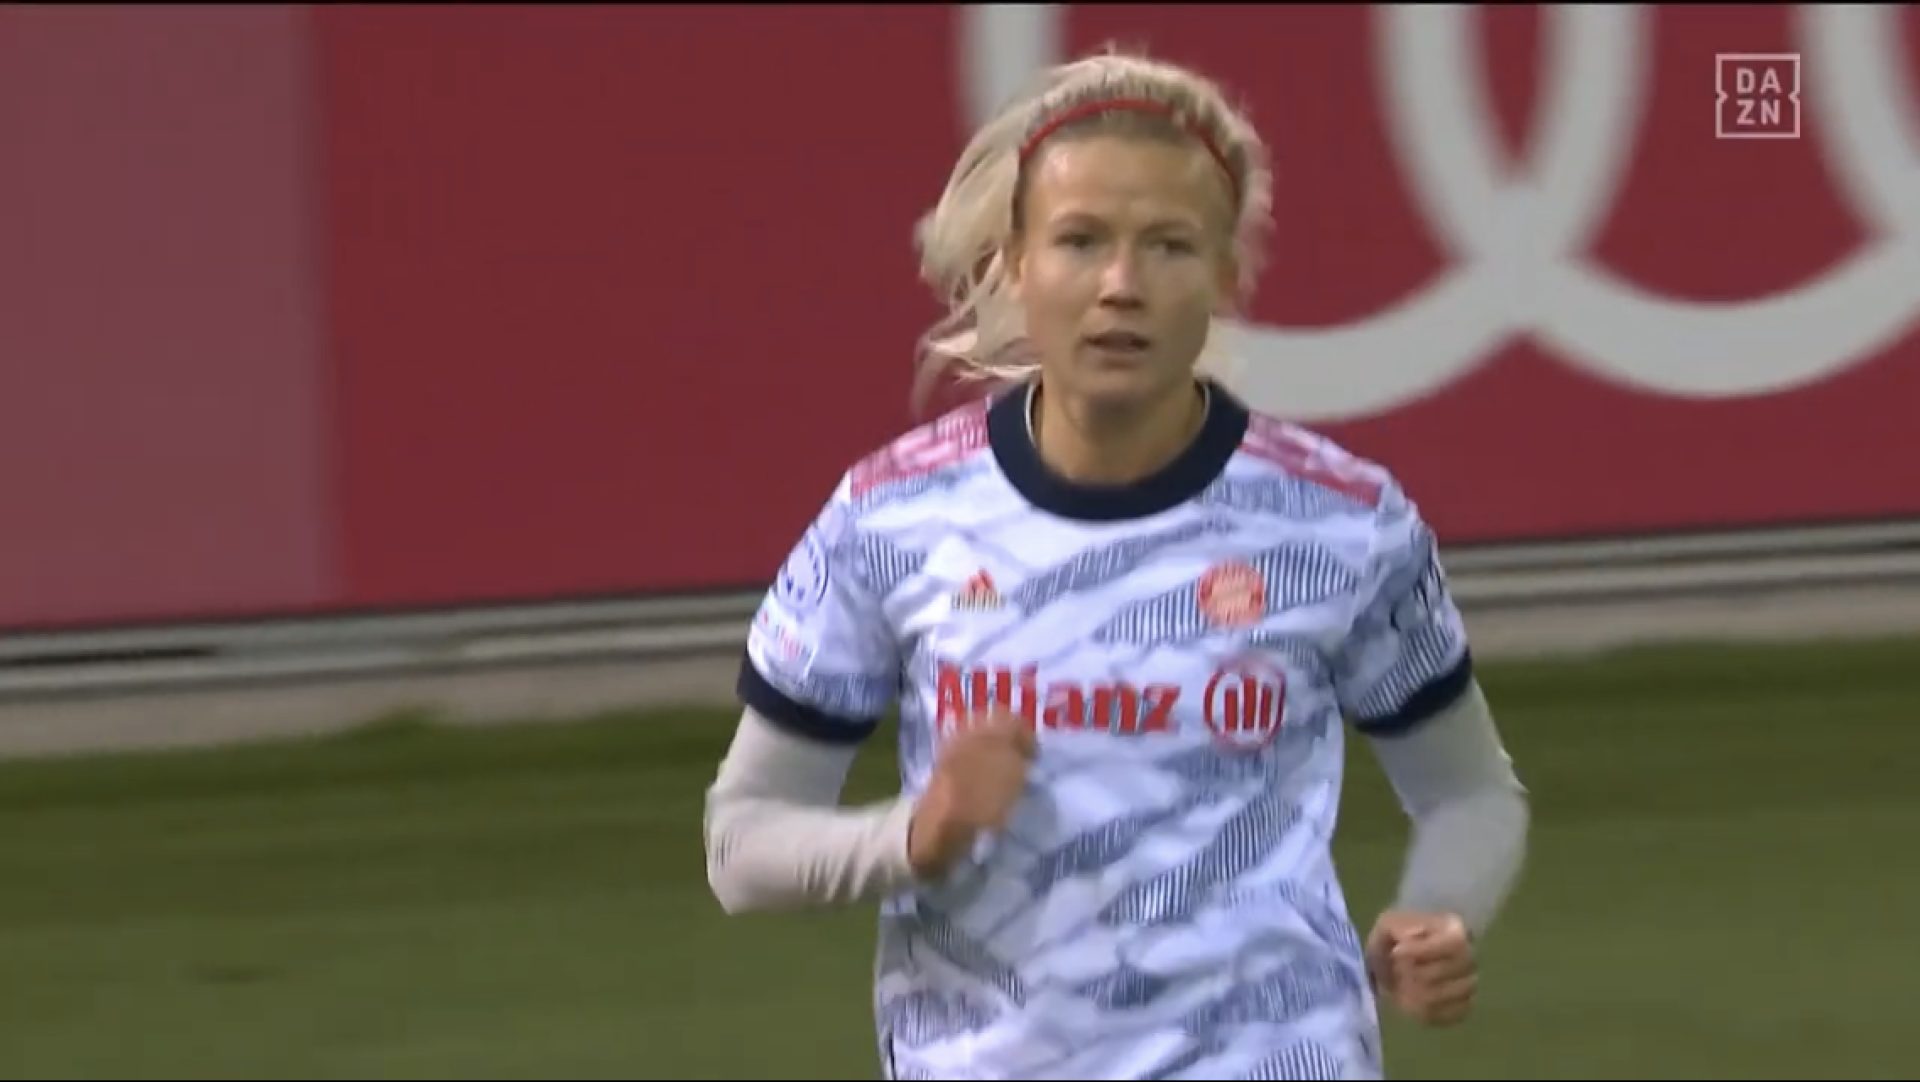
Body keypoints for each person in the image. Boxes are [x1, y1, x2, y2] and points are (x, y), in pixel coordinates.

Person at [703, 47, 1529, 1081]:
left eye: (1169, 245)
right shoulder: (893, 517)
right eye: (1081, 240)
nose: (1122, 286)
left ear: (1227, 275)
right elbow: (741, 845)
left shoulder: (1340, 523)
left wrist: (1438, 910)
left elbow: (1470, 793)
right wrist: (915, 836)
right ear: (1015, 262)